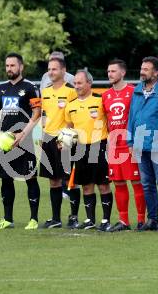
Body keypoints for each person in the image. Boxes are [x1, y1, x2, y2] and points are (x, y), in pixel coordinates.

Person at [0, 52, 42, 230]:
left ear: (21, 67)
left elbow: (37, 114)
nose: (9, 69)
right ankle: (7, 219)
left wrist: (23, 134)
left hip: (24, 141)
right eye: (7, 66)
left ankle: (33, 219)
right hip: (5, 141)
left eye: (12, 65)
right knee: (6, 180)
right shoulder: (1, 89)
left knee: (30, 178)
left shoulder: (30, 87)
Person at [127, 56, 158, 232]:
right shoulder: (137, 90)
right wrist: (130, 141)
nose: (142, 72)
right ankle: (152, 219)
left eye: (146, 69)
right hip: (140, 143)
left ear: (155, 72)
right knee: (147, 183)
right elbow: (132, 117)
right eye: (142, 68)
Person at [64, 70, 113, 231]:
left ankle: (106, 220)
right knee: (86, 185)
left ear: (89, 83)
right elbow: (69, 128)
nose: (76, 86)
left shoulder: (101, 101)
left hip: (99, 146)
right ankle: (90, 220)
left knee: (103, 184)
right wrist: (63, 140)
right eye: (75, 83)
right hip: (80, 149)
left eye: (80, 83)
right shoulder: (70, 106)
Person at [102, 59, 146, 231]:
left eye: (113, 71)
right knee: (119, 183)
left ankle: (141, 220)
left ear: (123, 73)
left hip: (130, 144)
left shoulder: (134, 91)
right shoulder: (105, 96)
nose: (110, 74)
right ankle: (123, 221)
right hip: (114, 145)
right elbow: (106, 121)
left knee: (137, 181)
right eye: (108, 71)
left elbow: (140, 117)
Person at [39, 57, 81, 229]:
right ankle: (56, 218)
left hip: (64, 141)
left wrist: (66, 137)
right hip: (48, 139)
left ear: (64, 71)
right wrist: (42, 135)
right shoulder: (46, 91)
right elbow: (44, 115)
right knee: (53, 180)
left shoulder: (71, 91)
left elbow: (75, 117)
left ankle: (73, 217)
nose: (51, 72)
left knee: (70, 180)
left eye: (54, 69)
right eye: (49, 69)